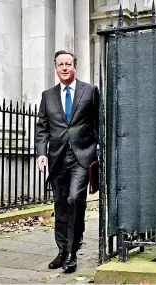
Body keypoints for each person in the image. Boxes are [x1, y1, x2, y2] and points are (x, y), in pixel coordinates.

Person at [35, 50, 99, 273]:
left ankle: (72, 252)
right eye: (60, 64)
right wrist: (41, 152)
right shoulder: (48, 95)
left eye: (68, 64)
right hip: (57, 158)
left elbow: (99, 121)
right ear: (55, 68)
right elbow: (42, 127)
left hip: (82, 156)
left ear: (75, 67)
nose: (64, 68)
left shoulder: (90, 91)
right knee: (61, 204)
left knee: (74, 200)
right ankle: (62, 250)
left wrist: (99, 147)